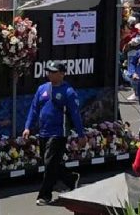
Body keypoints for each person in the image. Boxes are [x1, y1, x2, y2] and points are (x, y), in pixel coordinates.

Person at [22, 61, 84, 207]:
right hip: (43, 132)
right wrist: (27, 127)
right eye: (48, 71)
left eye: (53, 71)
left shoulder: (68, 92)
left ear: (62, 74)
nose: (49, 74)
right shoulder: (42, 89)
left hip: (58, 133)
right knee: (50, 163)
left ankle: (45, 195)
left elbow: (75, 114)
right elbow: (34, 109)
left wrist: (81, 134)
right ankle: (70, 178)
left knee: (49, 164)